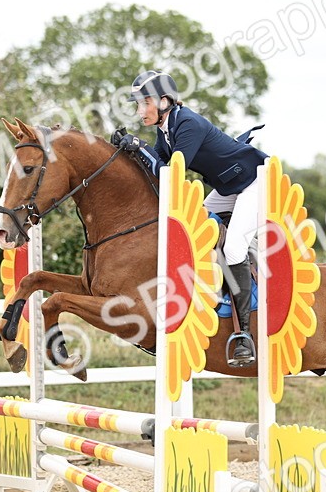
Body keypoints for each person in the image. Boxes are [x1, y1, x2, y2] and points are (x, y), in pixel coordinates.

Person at [112, 69, 266, 368]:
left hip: (253, 184)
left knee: (233, 247)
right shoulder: (166, 128)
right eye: (139, 104)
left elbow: (172, 173)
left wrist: (140, 146)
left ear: (164, 101)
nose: (140, 111)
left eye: (145, 103)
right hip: (229, 188)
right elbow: (157, 167)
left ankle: (244, 335)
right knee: (198, 232)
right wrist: (131, 153)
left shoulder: (188, 124)